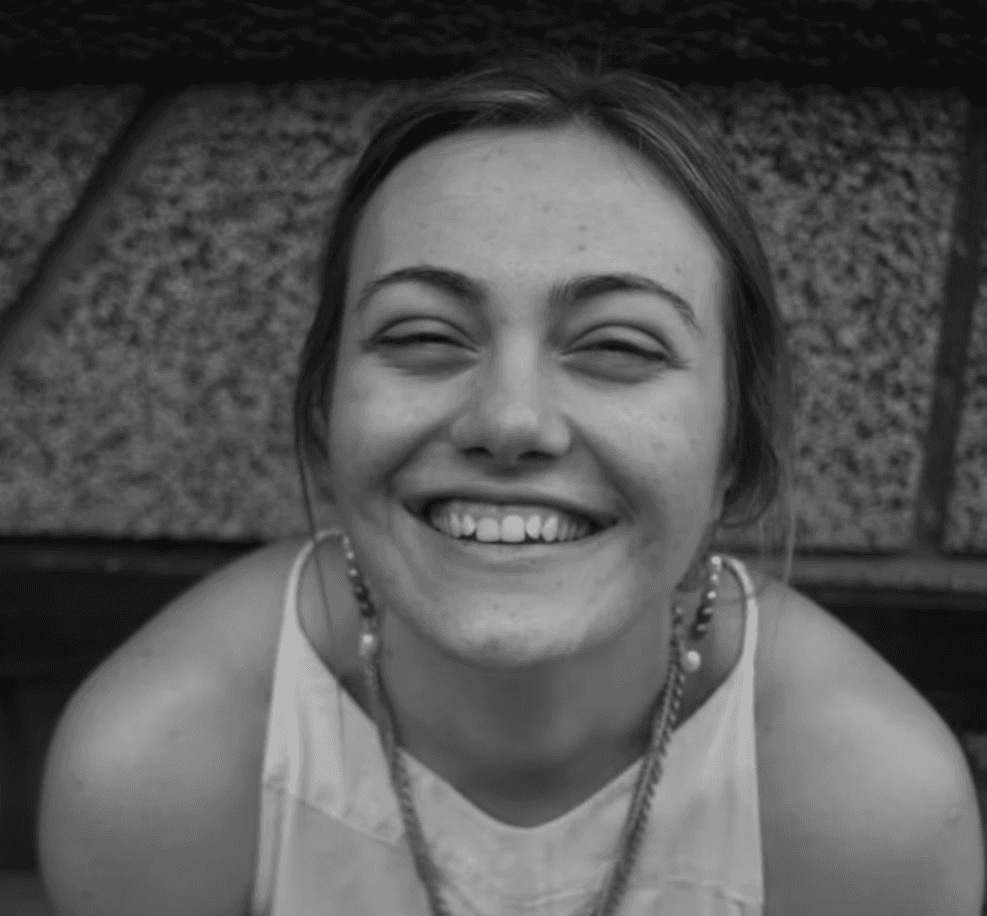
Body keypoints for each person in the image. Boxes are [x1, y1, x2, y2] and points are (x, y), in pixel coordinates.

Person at [36, 52, 984, 916]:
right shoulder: (161, 760)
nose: (508, 420)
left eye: (618, 345)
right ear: (325, 411)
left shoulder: (868, 803)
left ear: (736, 441)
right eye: (421, 336)